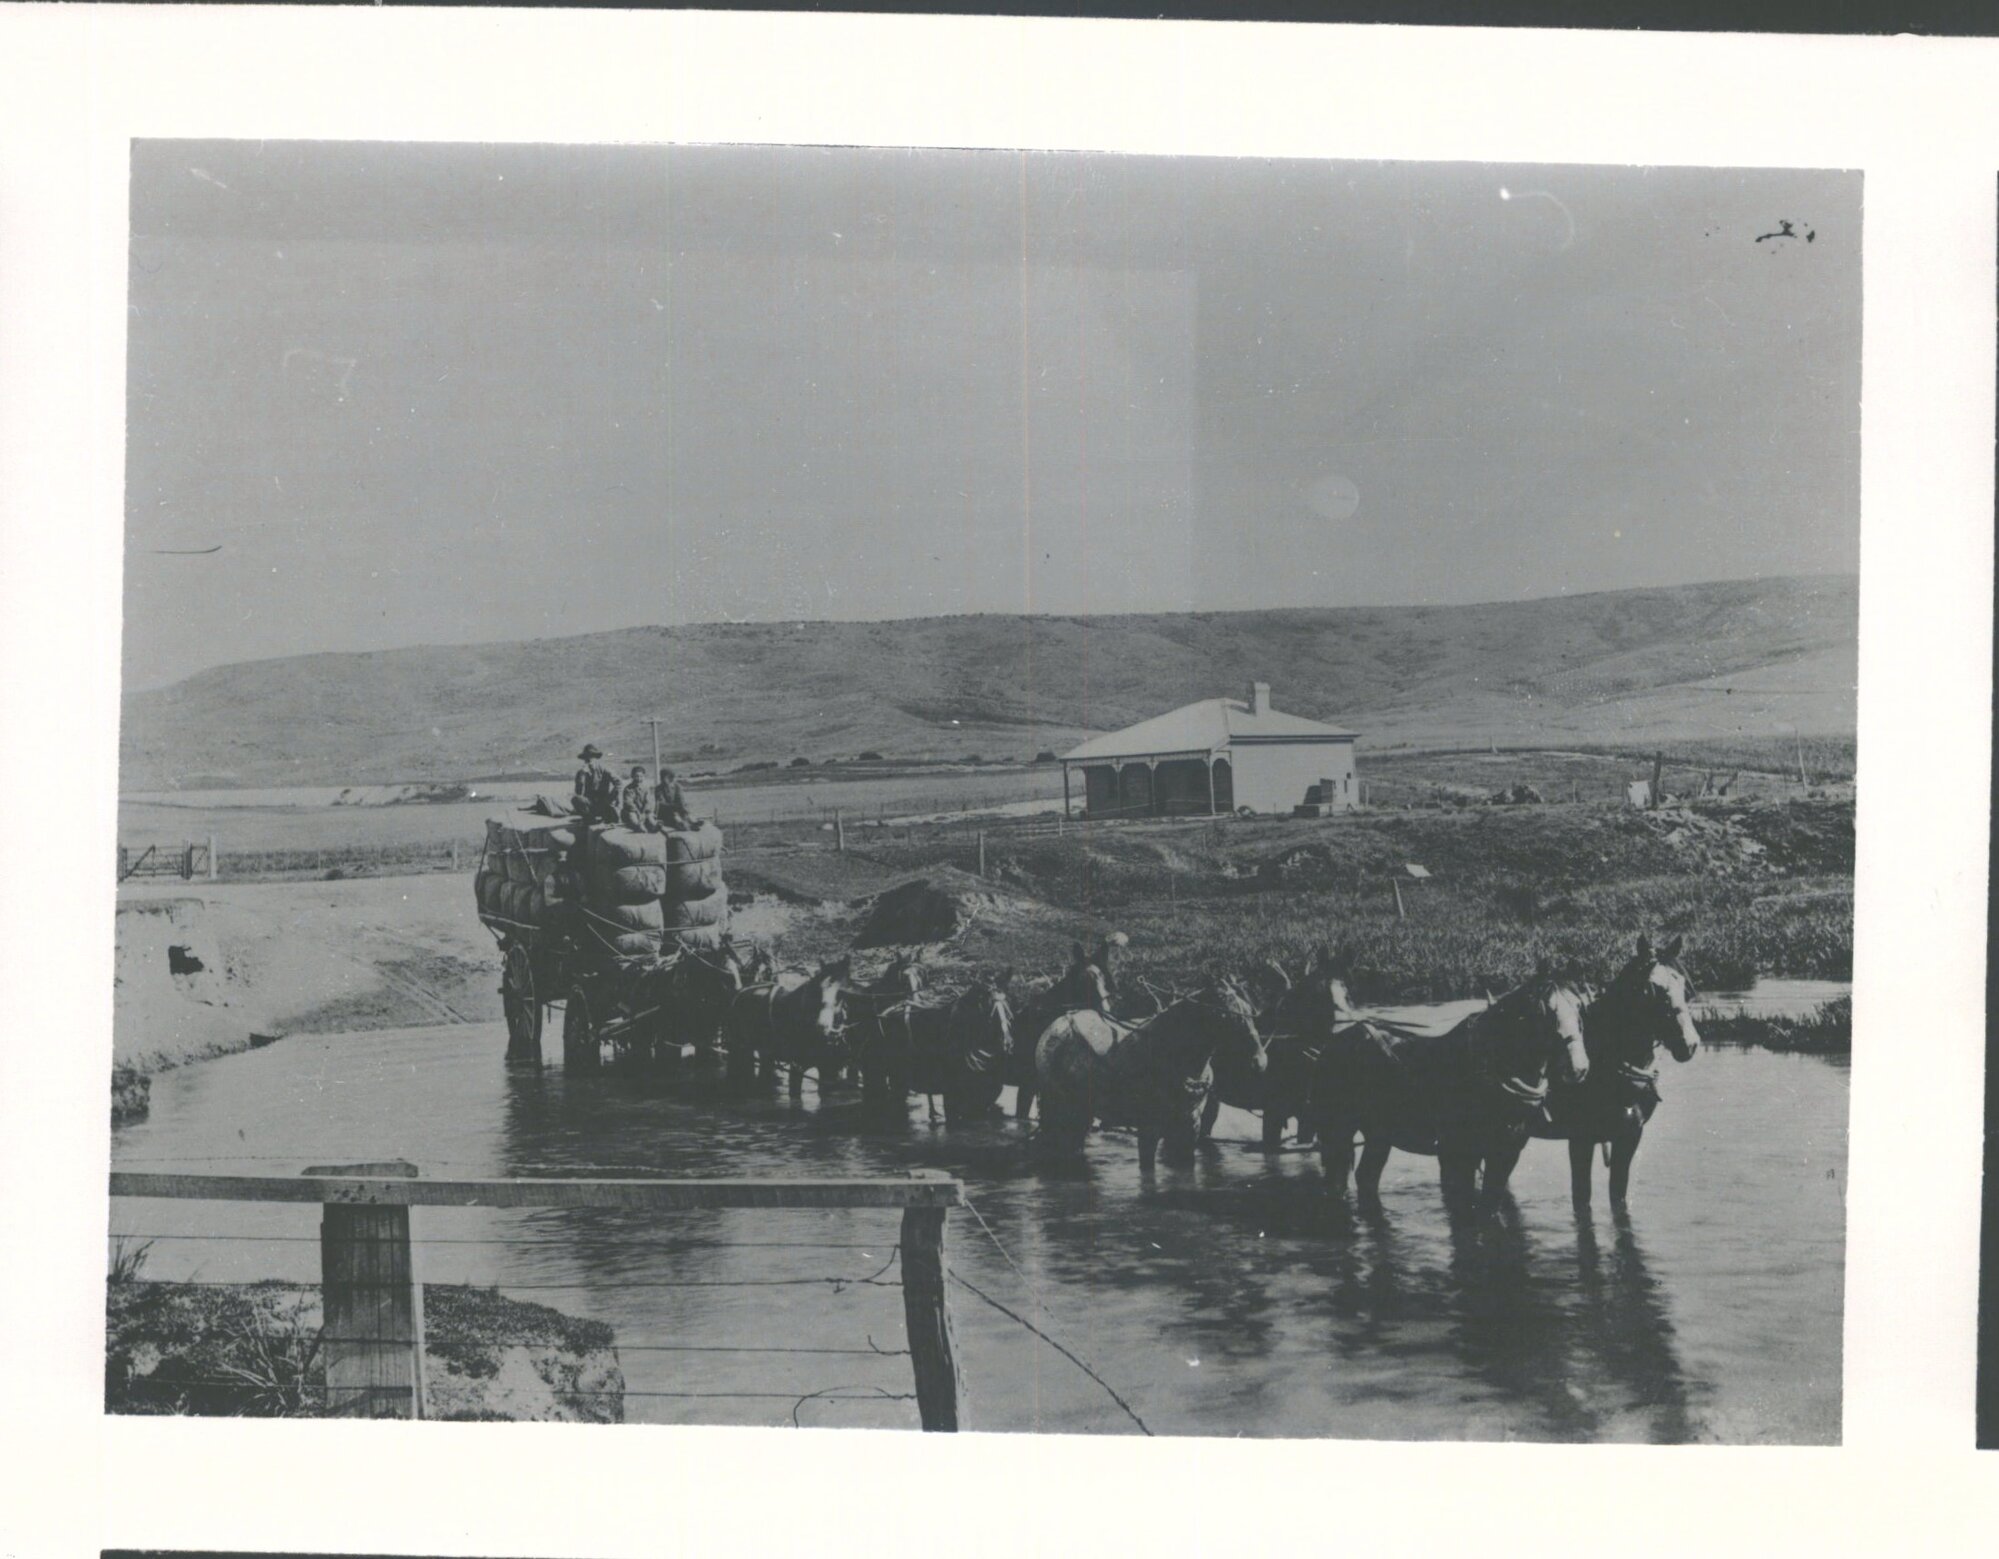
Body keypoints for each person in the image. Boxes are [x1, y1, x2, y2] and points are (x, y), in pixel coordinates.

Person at [571, 744, 621, 824]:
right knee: (575, 799)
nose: (589, 760)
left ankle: (604, 815)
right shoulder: (581, 772)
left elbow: (618, 783)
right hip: (590, 803)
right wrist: (582, 776)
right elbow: (578, 793)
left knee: (613, 816)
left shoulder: (604, 769)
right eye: (586, 758)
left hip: (604, 802)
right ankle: (590, 819)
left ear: (596, 758)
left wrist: (611, 798)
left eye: (591, 757)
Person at [620, 765, 657, 831]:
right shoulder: (628, 789)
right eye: (637, 776)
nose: (639, 778)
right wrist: (638, 813)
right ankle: (638, 826)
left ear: (644, 776)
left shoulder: (646, 788)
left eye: (641, 776)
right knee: (632, 816)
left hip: (643, 811)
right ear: (632, 776)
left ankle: (653, 825)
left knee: (650, 816)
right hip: (632, 811)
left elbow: (648, 801)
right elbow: (629, 803)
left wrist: (644, 812)